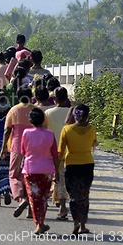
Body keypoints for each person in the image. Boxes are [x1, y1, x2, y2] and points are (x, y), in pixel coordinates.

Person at [58, 104, 98, 235]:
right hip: (87, 164)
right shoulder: (92, 129)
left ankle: (75, 221)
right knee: (84, 194)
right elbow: (94, 143)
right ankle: (83, 225)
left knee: (73, 195)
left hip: (71, 165)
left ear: (74, 115)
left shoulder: (66, 130)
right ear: (87, 116)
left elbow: (60, 151)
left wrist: (55, 168)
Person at [21, 108, 60, 234]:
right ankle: (41, 223)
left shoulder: (26, 133)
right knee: (43, 198)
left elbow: (23, 151)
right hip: (46, 170)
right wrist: (57, 172)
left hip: (30, 169)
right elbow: (55, 155)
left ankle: (38, 224)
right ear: (43, 120)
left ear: (30, 120)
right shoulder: (50, 134)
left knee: (33, 198)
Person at [1, 86, 35, 218]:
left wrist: (3, 146)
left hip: (17, 146)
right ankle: (30, 209)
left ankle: (20, 197)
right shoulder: (36, 110)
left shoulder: (14, 110)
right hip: (33, 147)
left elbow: (7, 130)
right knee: (30, 176)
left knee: (14, 175)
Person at [45, 87, 71, 219]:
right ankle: (63, 205)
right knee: (66, 180)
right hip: (71, 151)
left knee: (57, 179)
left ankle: (62, 207)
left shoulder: (49, 113)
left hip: (54, 151)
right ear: (66, 99)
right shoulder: (71, 113)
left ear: (54, 99)